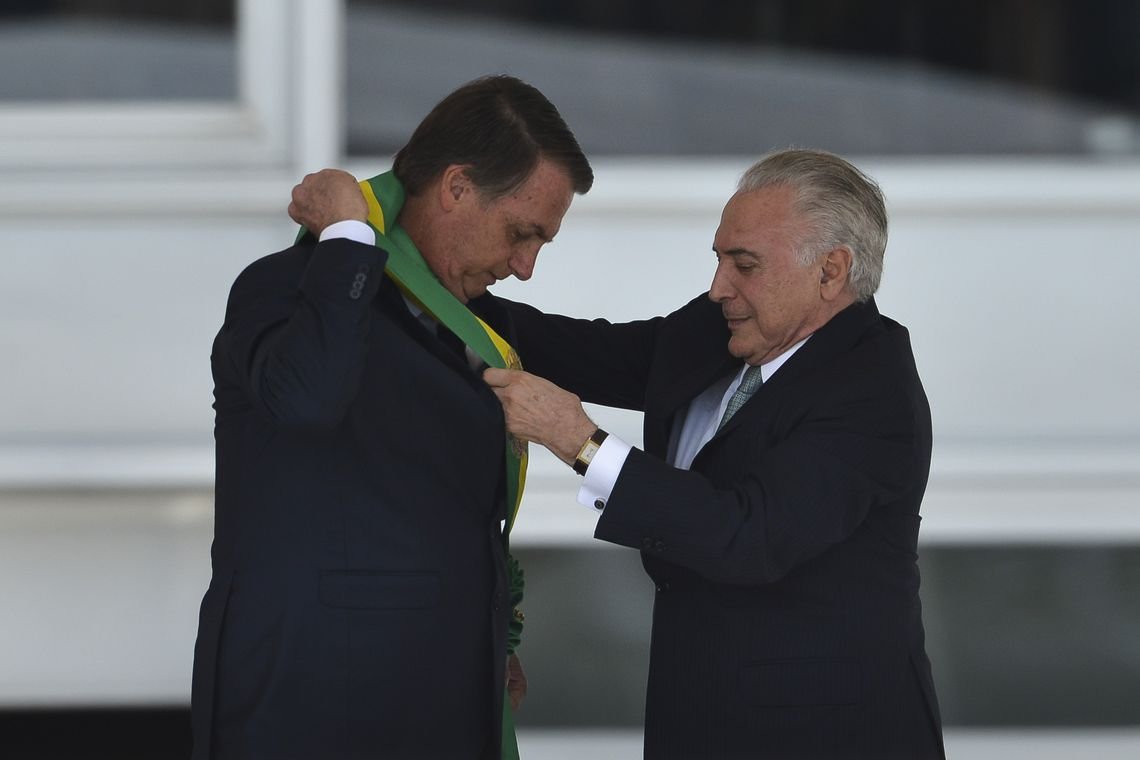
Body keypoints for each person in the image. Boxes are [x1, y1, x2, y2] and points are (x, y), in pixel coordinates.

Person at [484, 149, 945, 759]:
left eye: (744, 265)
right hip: (700, 720)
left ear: (831, 272)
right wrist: (431, 282)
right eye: (719, 259)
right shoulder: (726, 327)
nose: (718, 287)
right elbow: (584, 351)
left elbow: (747, 536)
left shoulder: (872, 392)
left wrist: (581, 444)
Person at [191, 75, 593, 760]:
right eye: (522, 233)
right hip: (314, 717)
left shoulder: (467, 321)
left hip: (436, 704)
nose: (526, 266)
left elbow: (628, 356)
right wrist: (349, 236)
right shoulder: (285, 287)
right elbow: (308, 400)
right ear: (457, 187)